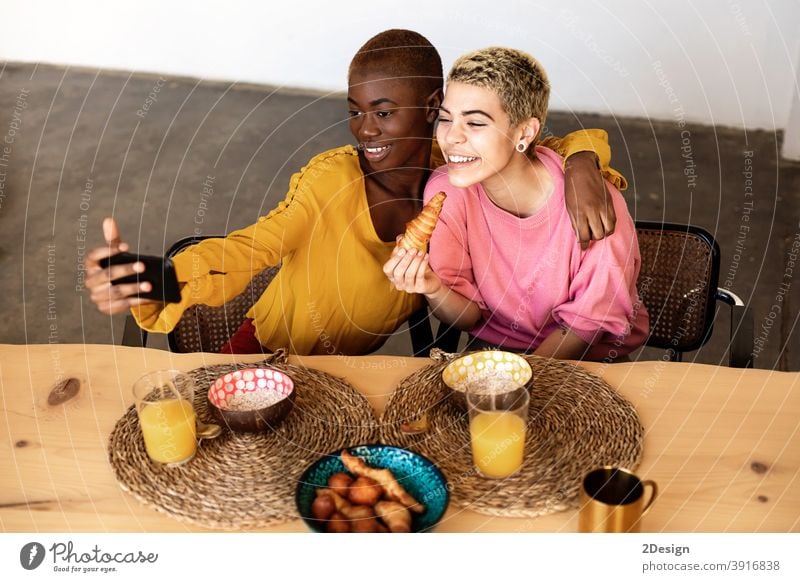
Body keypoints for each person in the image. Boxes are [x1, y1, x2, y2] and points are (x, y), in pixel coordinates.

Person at [85, 30, 626, 356]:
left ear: (434, 104)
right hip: (269, 354)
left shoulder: (458, 169)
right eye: (355, 112)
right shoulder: (330, 183)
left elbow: (540, 144)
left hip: (353, 372)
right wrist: (156, 278)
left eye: (385, 113)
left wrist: (582, 162)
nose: (365, 130)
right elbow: (251, 249)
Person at [384, 47, 648, 360]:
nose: (451, 137)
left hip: (589, 359)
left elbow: (585, 325)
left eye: (476, 123)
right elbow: (469, 317)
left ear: (524, 133)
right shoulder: (447, 192)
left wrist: (517, 380)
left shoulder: (594, 204)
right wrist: (433, 287)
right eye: (445, 118)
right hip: (494, 353)